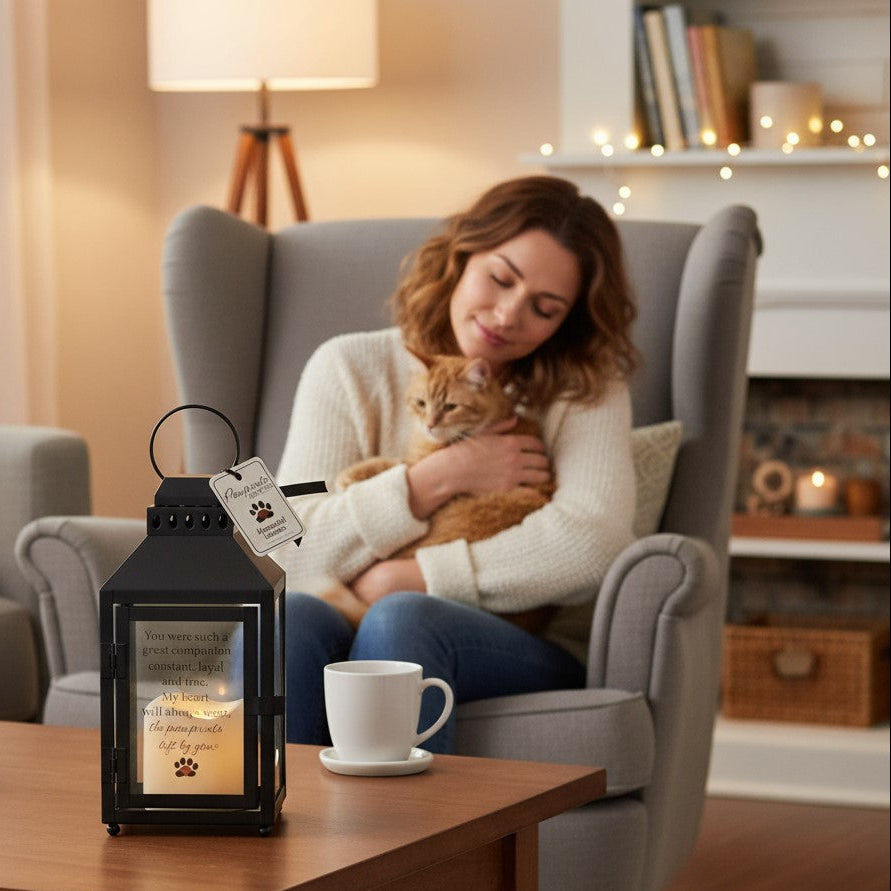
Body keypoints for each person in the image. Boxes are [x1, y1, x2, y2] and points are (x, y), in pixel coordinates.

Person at [274, 175, 639, 753]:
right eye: (500, 279)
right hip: (345, 612)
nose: (508, 315)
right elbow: (286, 542)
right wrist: (439, 478)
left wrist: (412, 577)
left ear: (566, 320)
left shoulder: (585, 388)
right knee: (282, 621)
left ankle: (404, 844)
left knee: (401, 619)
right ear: (462, 255)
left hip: (515, 640)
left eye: (545, 308)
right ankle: (269, 837)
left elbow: (591, 542)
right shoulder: (345, 365)